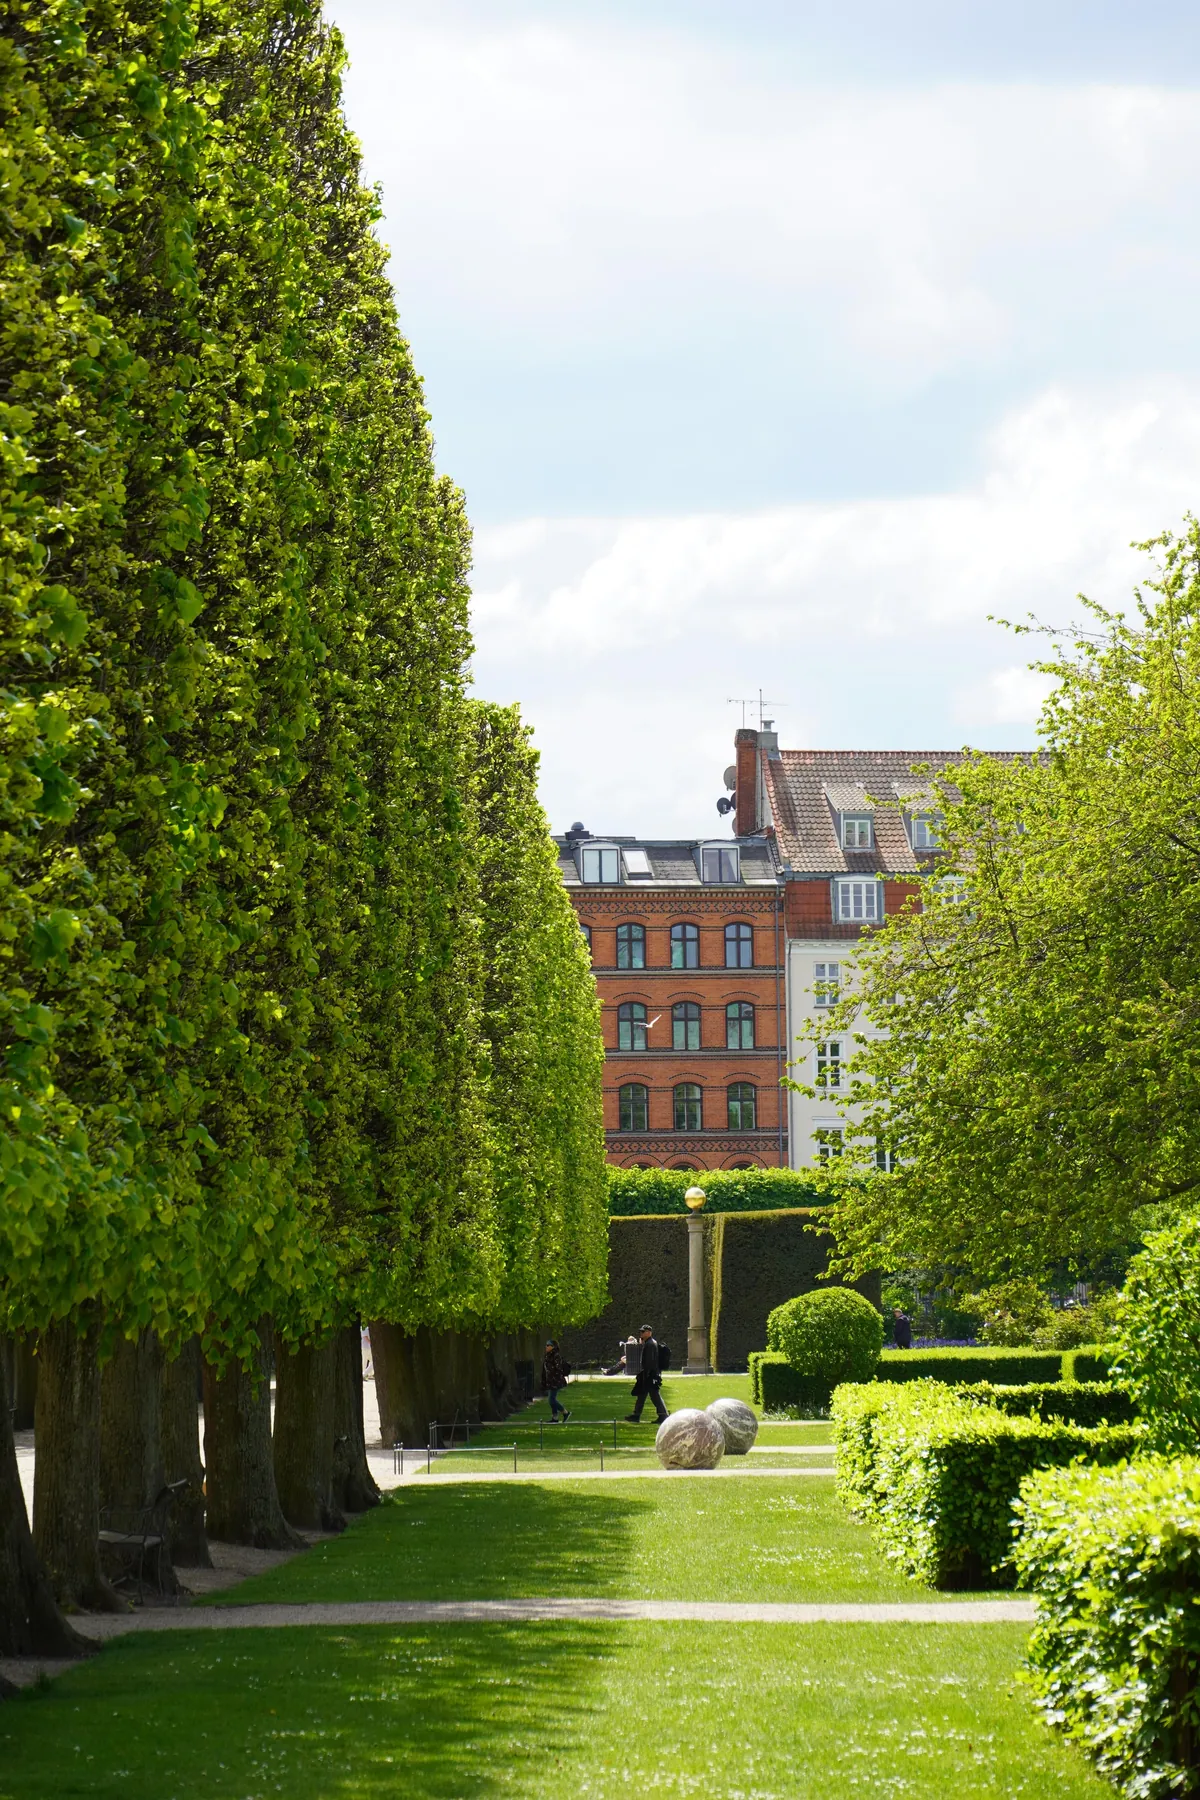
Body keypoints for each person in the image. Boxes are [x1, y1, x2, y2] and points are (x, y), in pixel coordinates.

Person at [625, 1324, 668, 1425]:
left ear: (649, 1332)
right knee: (642, 1394)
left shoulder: (650, 1344)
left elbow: (649, 1362)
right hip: (650, 1374)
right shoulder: (650, 1343)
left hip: (650, 1375)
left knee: (654, 1396)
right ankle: (637, 1415)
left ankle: (663, 1415)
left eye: (643, 1332)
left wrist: (646, 1375)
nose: (641, 1334)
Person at [541, 1339, 572, 1422]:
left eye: (548, 1345)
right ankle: (555, 1418)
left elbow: (558, 1369)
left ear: (553, 1347)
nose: (546, 1347)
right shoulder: (548, 1355)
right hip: (550, 1381)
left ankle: (565, 1412)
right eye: (546, 1345)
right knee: (552, 1399)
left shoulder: (556, 1355)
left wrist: (553, 1377)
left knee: (551, 1399)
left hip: (555, 1381)